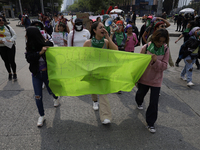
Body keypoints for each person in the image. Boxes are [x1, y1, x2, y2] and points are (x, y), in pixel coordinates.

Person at [83, 21, 118, 124]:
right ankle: (94, 101)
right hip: (92, 72)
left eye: (104, 27)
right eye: (100, 27)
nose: (103, 29)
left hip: (104, 73)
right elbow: (83, 58)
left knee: (103, 93)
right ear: (94, 30)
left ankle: (105, 117)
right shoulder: (88, 43)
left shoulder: (106, 42)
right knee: (94, 90)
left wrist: (108, 37)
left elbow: (115, 50)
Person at [135, 29, 169, 133]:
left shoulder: (166, 49)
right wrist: (136, 77)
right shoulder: (146, 48)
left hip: (156, 80)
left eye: (163, 42)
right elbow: (139, 63)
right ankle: (139, 101)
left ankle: (150, 123)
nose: (161, 44)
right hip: (144, 78)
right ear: (154, 39)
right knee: (140, 94)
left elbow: (164, 66)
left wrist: (156, 61)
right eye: (159, 41)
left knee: (154, 102)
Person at [25, 26, 60, 127]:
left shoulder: (45, 43)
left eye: (27, 33)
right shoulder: (29, 46)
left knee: (51, 91)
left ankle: (56, 98)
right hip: (36, 75)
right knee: (38, 96)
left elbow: (52, 46)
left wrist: (47, 46)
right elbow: (29, 58)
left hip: (47, 74)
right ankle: (41, 115)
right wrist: (40, 52)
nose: (25, 36)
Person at [0, 15, 17, 81]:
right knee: (6, 61)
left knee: (11, 60)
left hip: (10, 46)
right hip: (1, 48)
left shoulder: (8, 27)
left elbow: (14, 35)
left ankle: (14, 73)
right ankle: (9, 73)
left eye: (2, 20)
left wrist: (11, 40)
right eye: (0, 20)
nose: (1, 21)